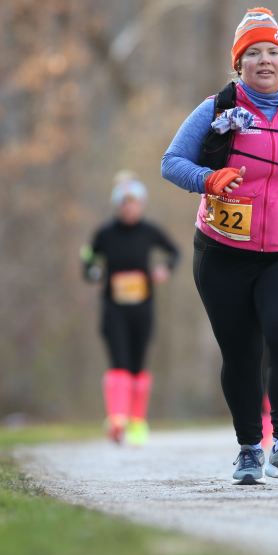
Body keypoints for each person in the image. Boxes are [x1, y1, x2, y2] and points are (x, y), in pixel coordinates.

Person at [162, 7, 278, 485]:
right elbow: (172, 162)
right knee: (241, 351)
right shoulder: (217, 109)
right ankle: (249, 448)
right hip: (224, 251)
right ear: (238, 64)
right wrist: (208, 178)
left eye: (272, 52)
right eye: (252, 54)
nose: (264, 60)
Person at [81, 172, 179, 446]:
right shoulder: (105, 233)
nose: (129, 208)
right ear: (117, 205)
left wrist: (165, 269)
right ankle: (116, 418)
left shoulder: (149, 232)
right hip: (114, 308)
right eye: (124, 203)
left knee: (138, 365)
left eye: (133, 202)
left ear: (142, 204)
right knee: (118, 362)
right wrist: (93, 271)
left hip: (143, 308)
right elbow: (88, 257)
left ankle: (137, 422)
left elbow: (175, 252)